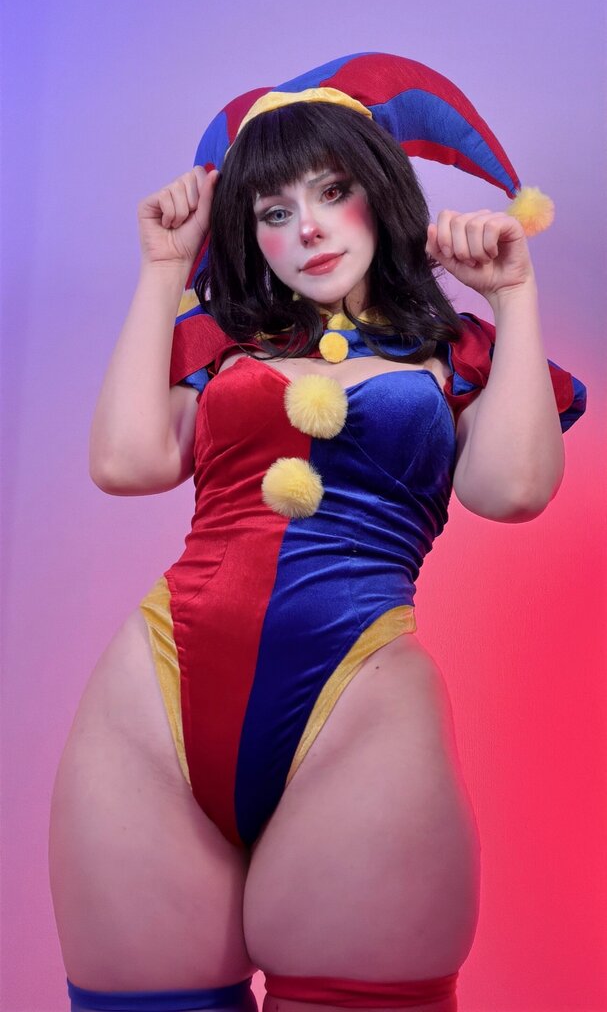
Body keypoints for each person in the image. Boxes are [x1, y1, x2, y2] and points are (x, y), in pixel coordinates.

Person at [48, 54, 586, 1012]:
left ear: (382, 194)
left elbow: (511, 491)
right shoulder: (222, 343)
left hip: (360, 709)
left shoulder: (457, 356)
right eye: (274, 210)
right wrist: (165, 270)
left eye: (333, 191)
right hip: (152, 704)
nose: (307, 228)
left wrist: (513, 295)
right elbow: (127, 462)